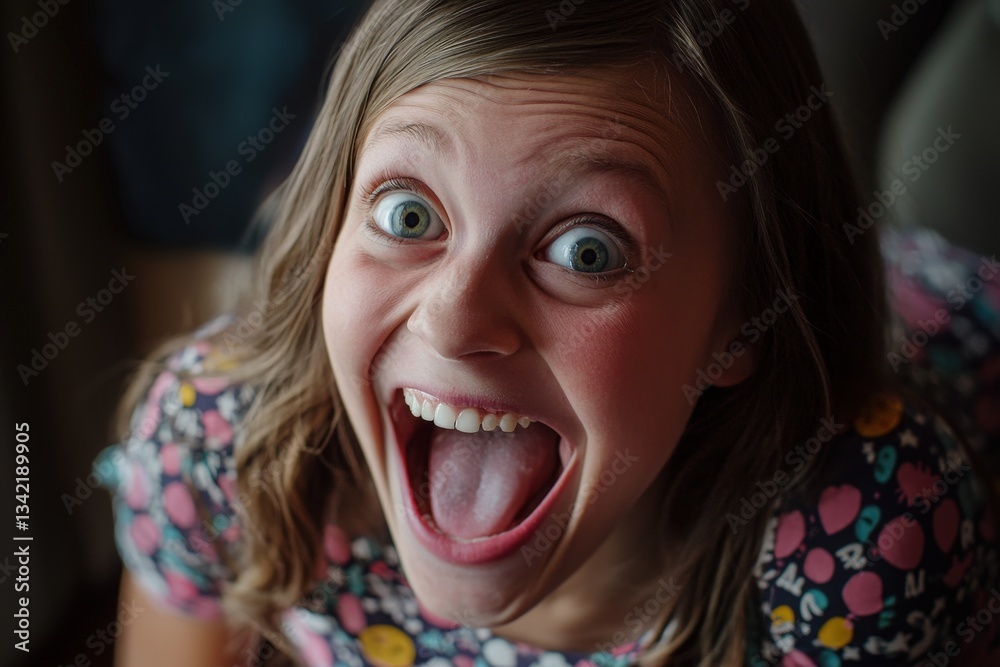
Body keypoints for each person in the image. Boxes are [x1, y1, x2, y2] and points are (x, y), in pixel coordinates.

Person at [94, 1, 1000, 665]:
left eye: (588, 248)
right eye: (408, 215)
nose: (453, 318)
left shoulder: (868, 536)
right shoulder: (215, 441)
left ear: (738, 326)